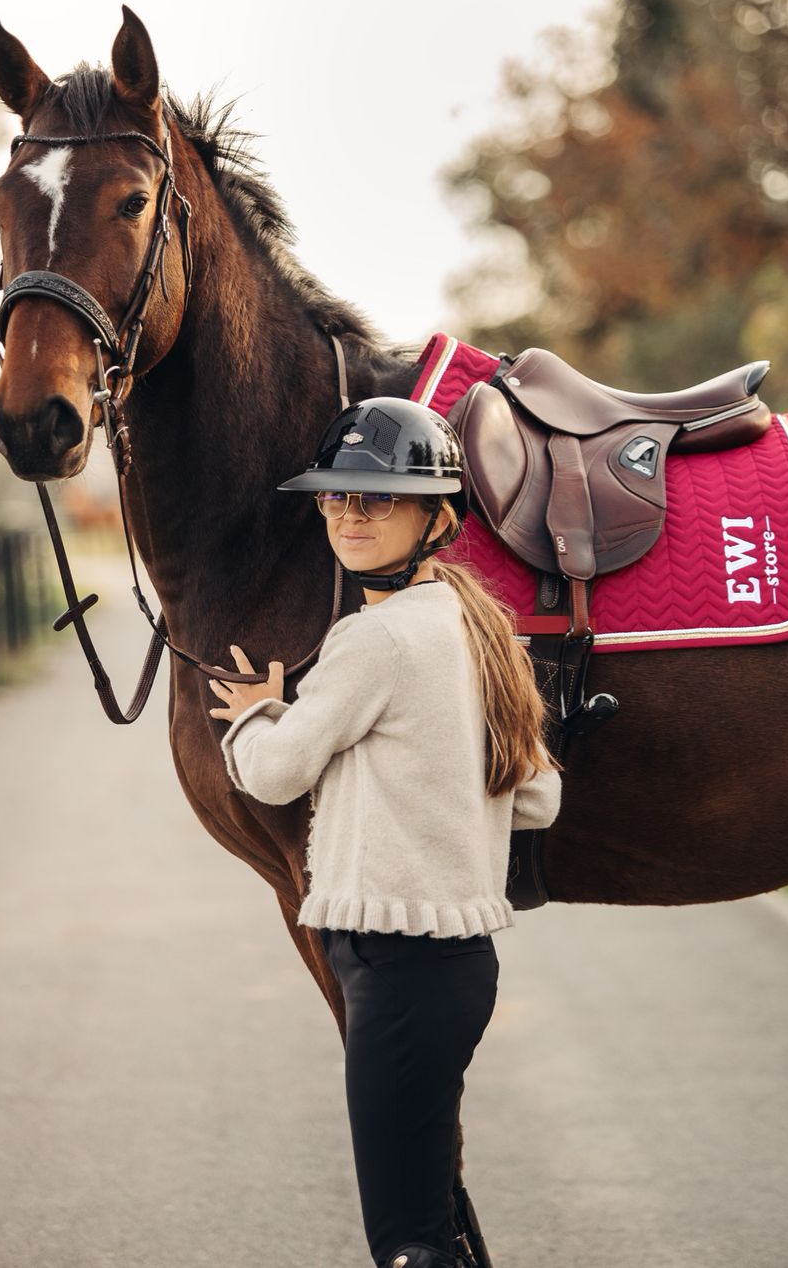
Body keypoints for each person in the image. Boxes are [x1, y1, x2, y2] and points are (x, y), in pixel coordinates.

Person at [208, 396, 561, 1268]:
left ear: (436, 516)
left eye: (377, 499)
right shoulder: (480, 627)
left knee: (406, 1238)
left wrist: (256, 714)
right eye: (334, 497)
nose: (348, 516)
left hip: (395, 966)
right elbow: (539, 798)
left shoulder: (374, 642)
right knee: (435, 1215)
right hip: (457, 965)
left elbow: (273, 772)